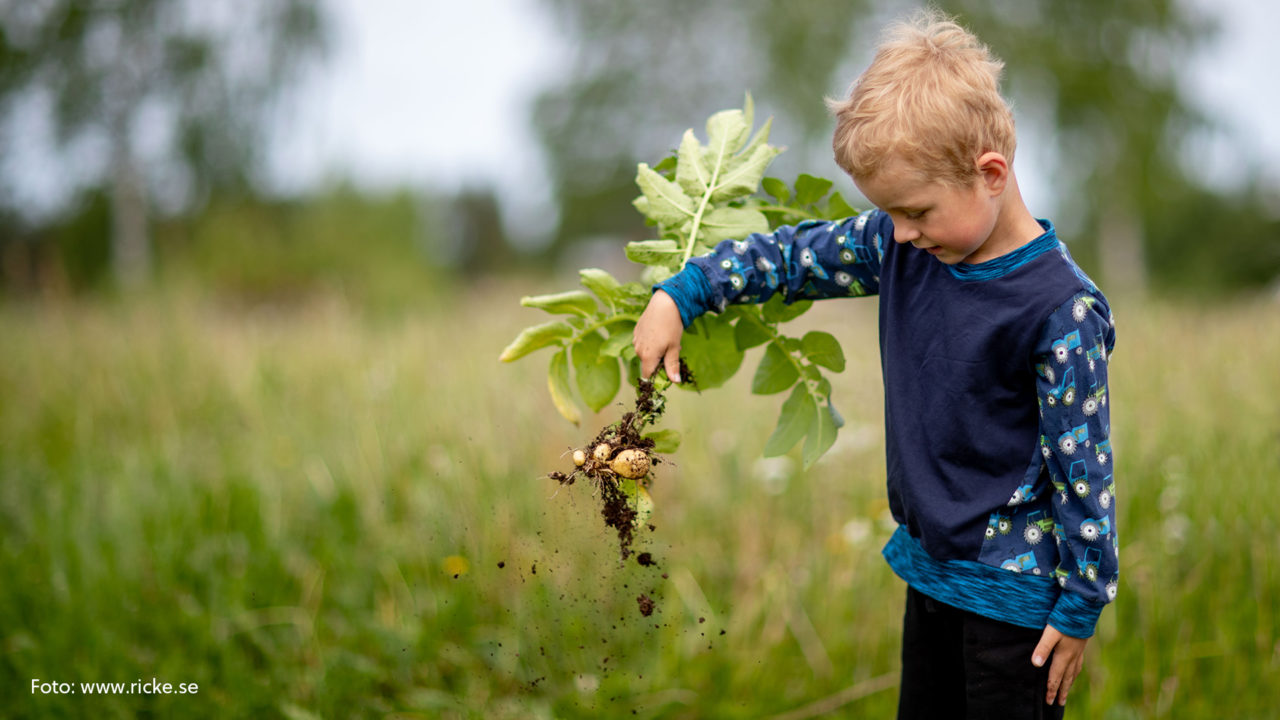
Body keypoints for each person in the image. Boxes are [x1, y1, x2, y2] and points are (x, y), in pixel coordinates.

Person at [632, 10, 1118, 719]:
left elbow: (1085, 471)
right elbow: (792, 258)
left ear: (990, 174)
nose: (900, 231)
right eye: (887, 213)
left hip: (1017, 612)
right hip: (930, 574)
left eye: (915, 211)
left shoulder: (1059, 309)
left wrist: (1081, 603)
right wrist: (685, 291)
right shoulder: (900, 246)